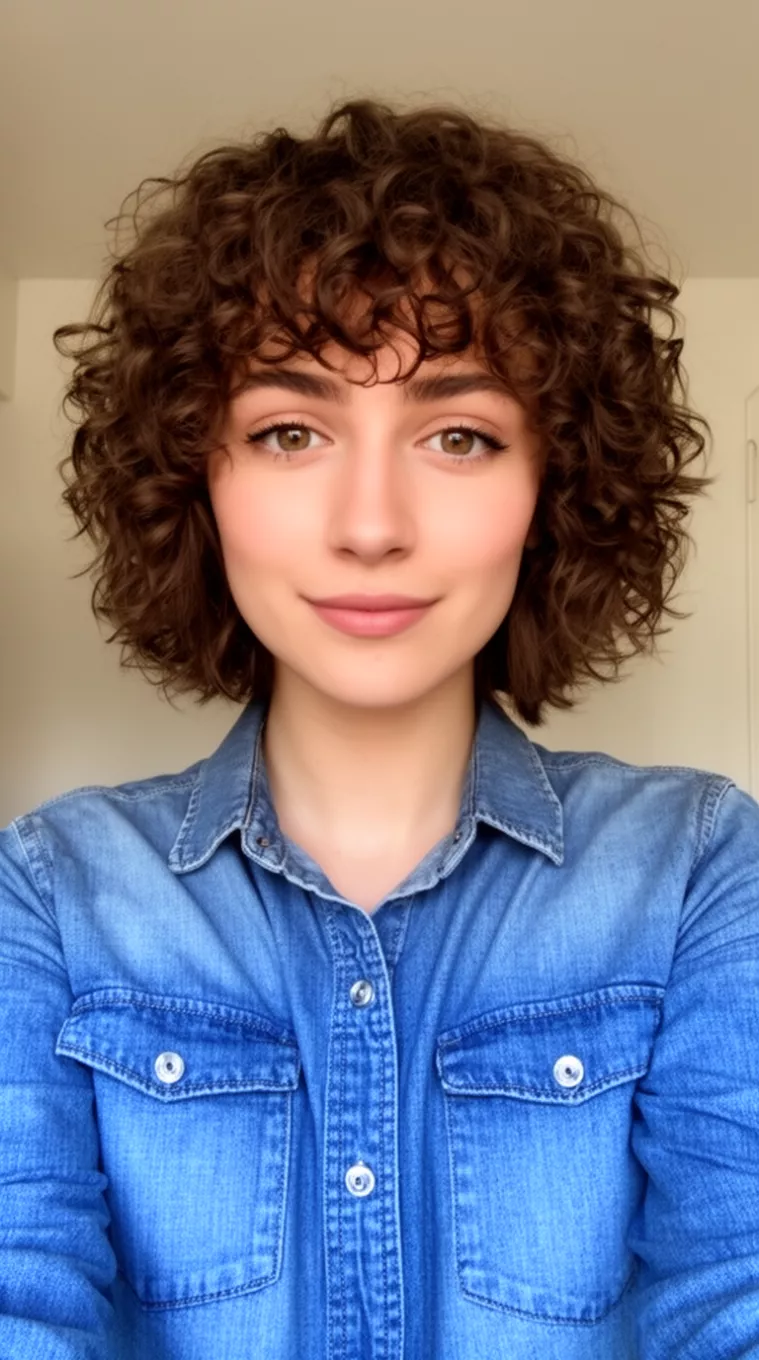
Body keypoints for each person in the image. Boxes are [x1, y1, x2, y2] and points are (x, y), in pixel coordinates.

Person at [1, 95, 758, 1360]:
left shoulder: (693, 868)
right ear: (198, 477)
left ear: (552, 487)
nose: (369, 523)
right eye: (289, 431)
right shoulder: (51, 894)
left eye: (459, 435)